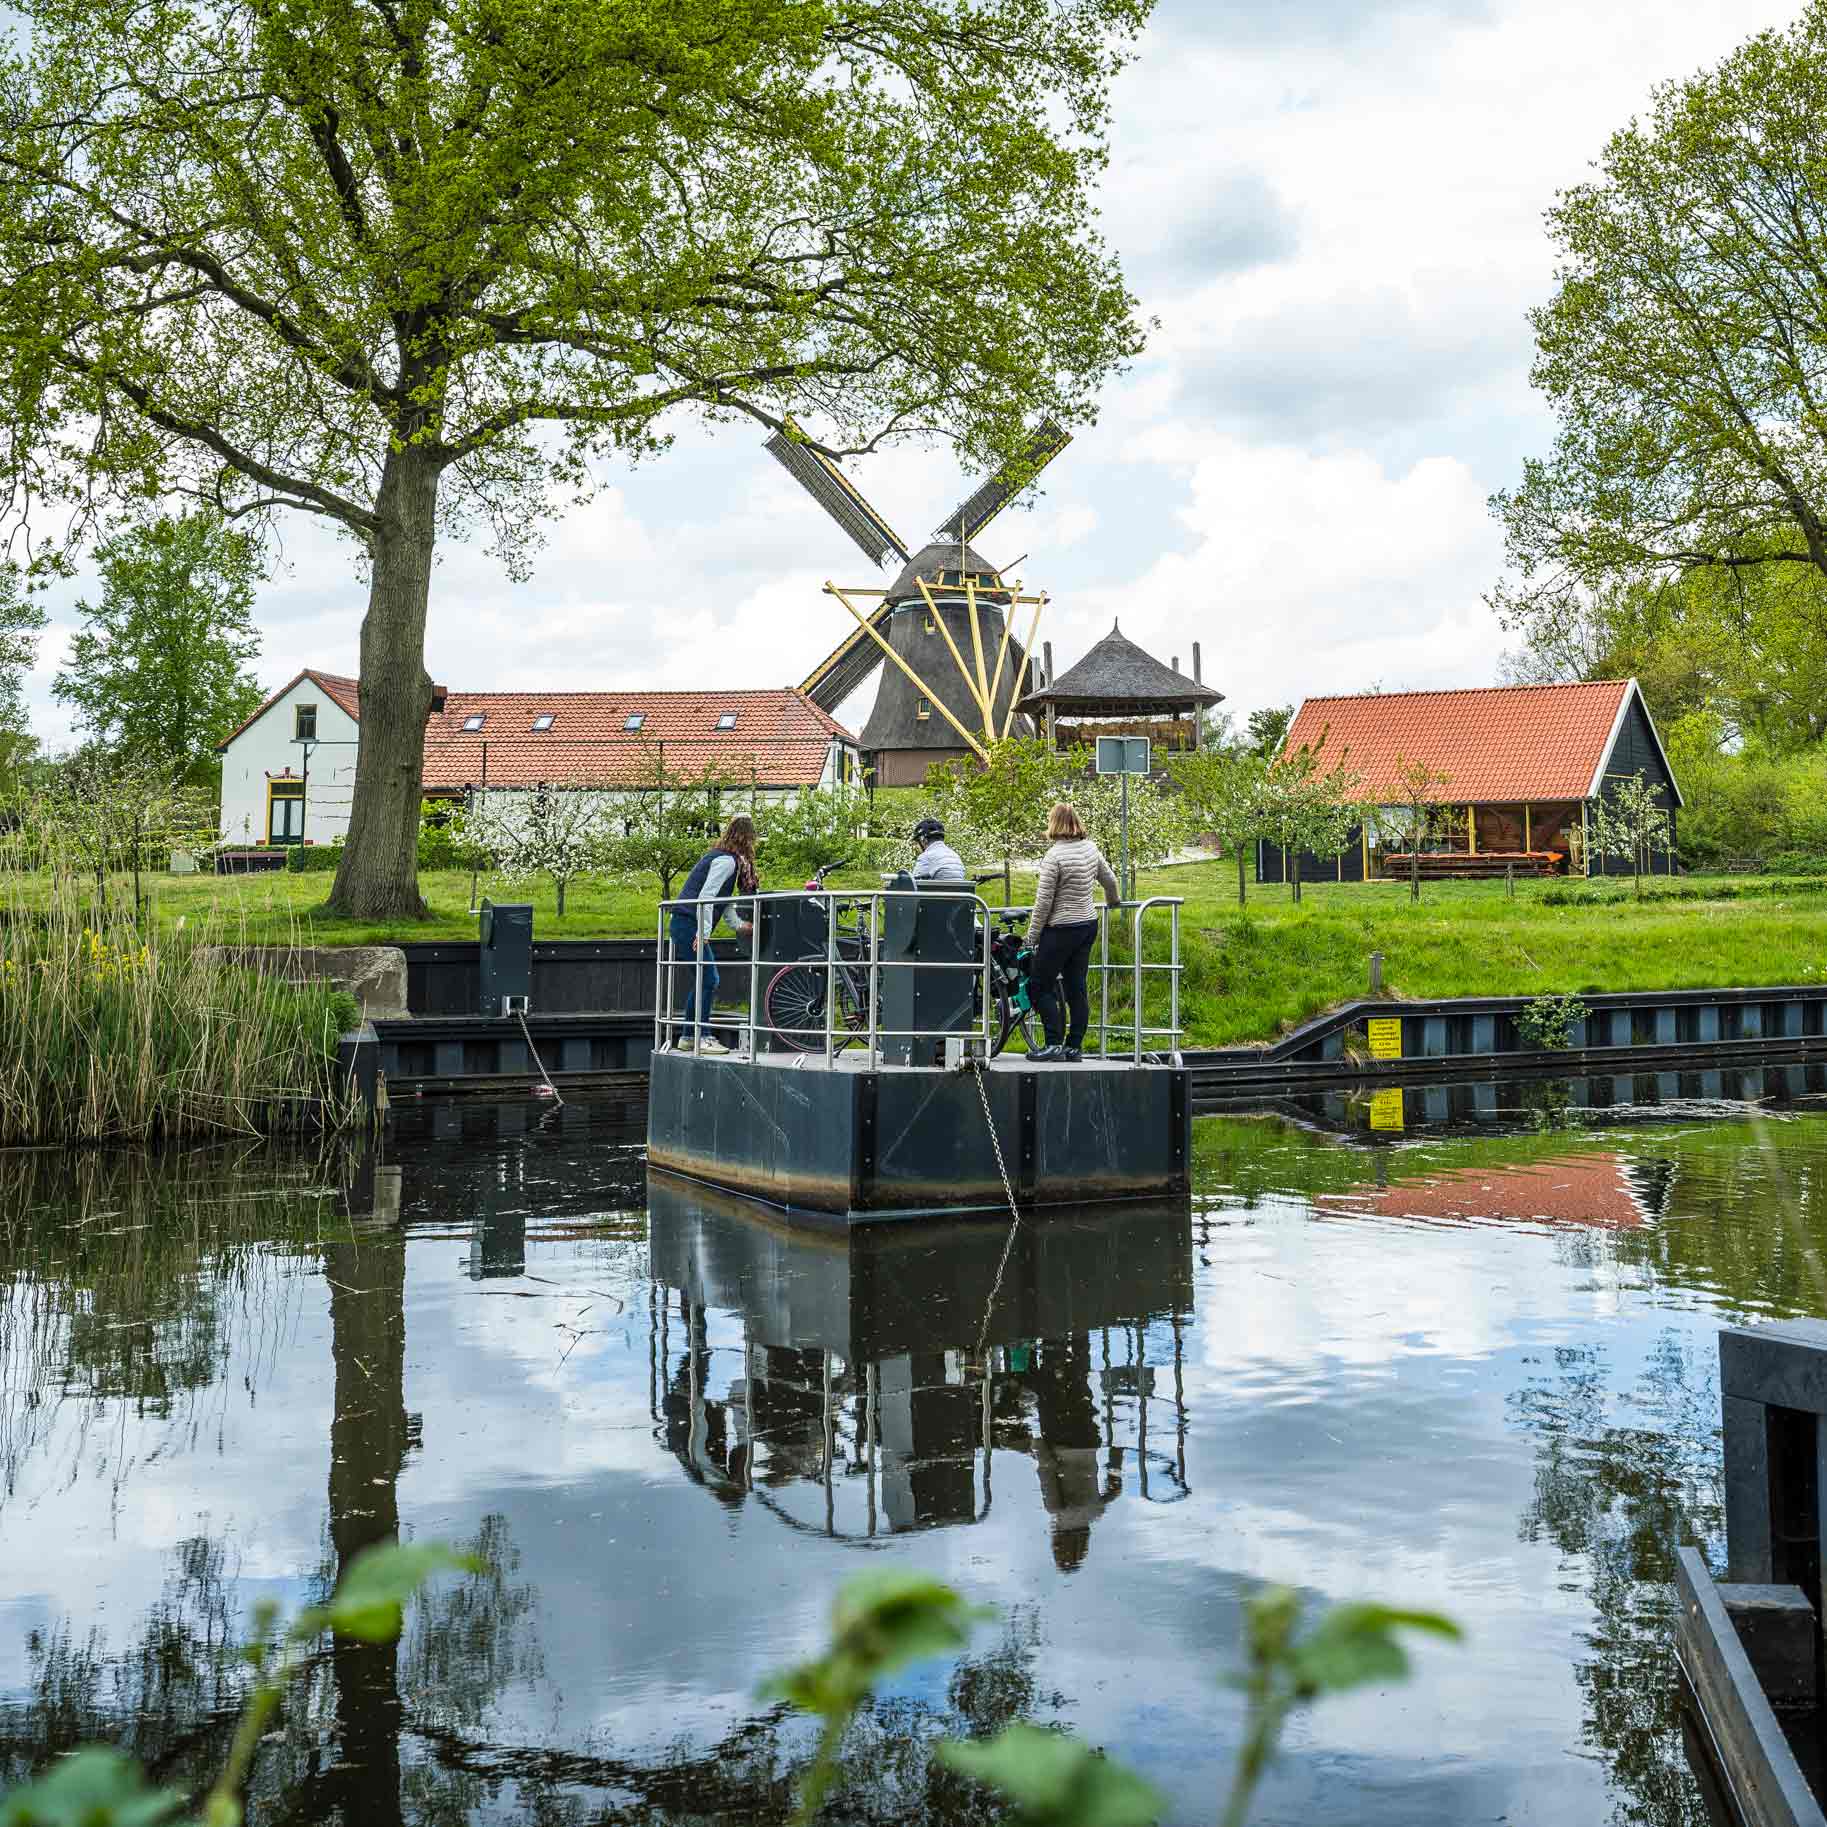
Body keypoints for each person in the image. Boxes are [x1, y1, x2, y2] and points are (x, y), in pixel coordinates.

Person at [1024, 802, 1120, 1062]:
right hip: (1087, 925)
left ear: (1053, 824)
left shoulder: (1054, 857)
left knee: (1038, 987)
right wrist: (1113, 901)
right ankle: (1074, 1047)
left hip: (1060, 929)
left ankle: (1053, 1043)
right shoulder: (1090, 848)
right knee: (1076, 987)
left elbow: (1043, 903)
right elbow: (1110, 880)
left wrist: (1031, 937)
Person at [670, 815, 757, 1055]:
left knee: (703, 980)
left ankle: (689, 1036)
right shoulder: (727, 862)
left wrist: (739, 925)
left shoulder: (722, 858)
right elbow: (706, 897)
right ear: (747, 839)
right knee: (709, 979)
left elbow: (723, 900)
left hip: (684, 922)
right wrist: (704, 932)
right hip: (688, 924)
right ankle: (702, 1036)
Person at [909, 816, 966, 885]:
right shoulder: (955, 856)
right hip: (960, 895)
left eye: (917, 843)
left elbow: (913, 885)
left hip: (938, 895)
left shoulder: (926, 857)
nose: (916, 847)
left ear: (924, 840)